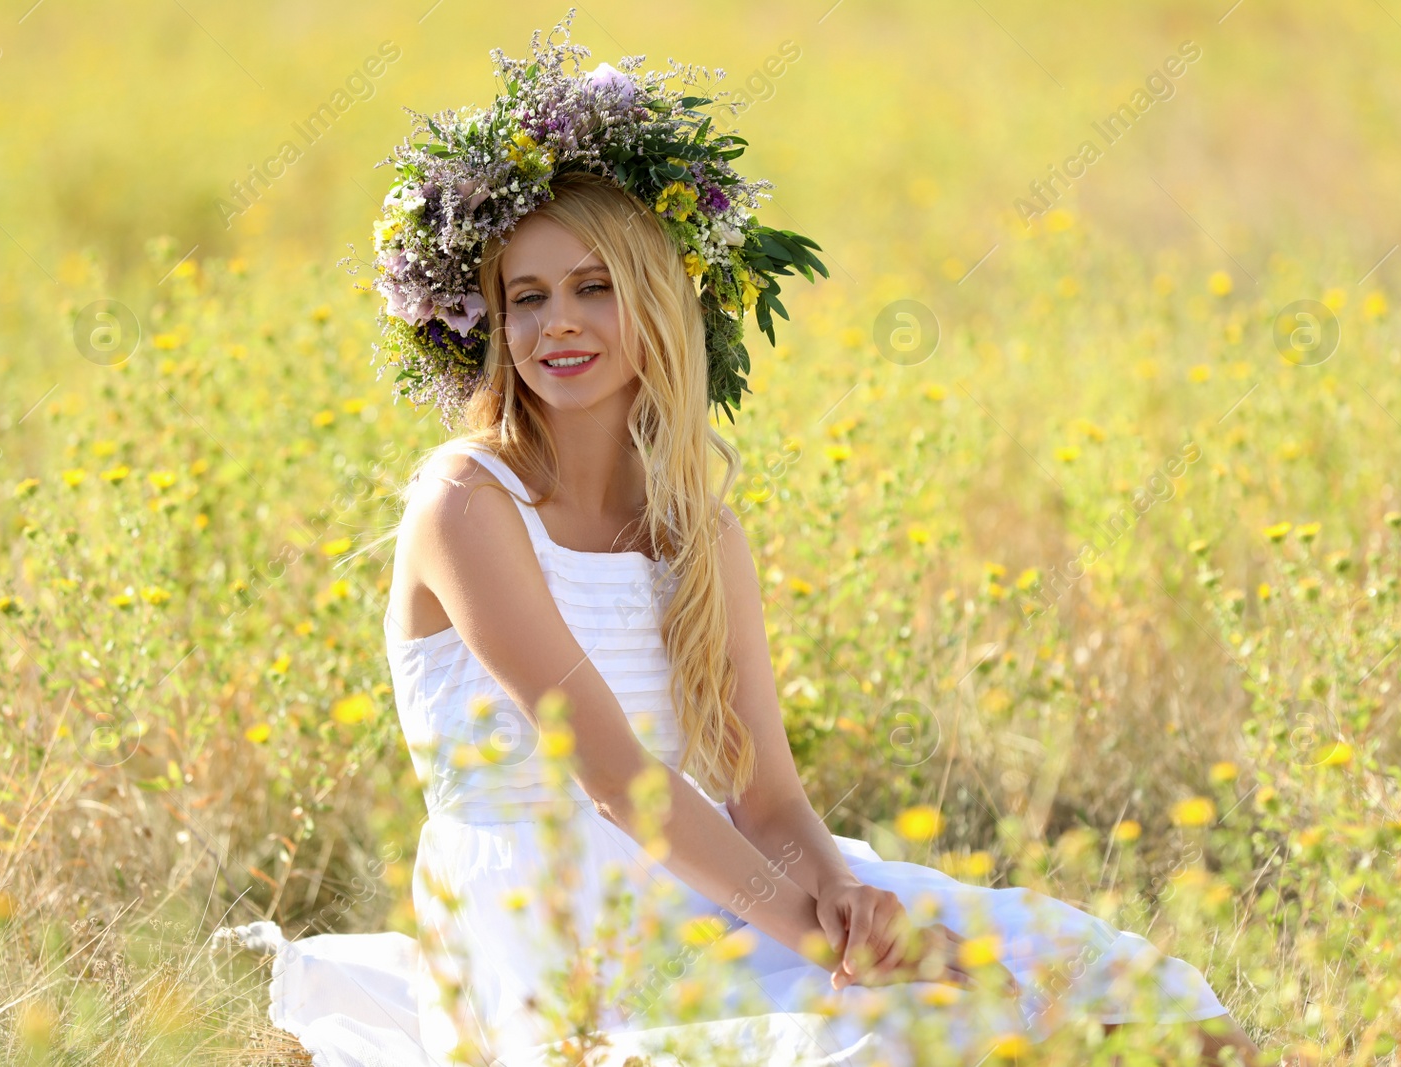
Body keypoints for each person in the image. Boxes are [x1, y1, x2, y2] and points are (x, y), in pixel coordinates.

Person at [213, 13, 1284, 1066]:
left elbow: (768, 797)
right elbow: (616, 779)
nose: (558, 324)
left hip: (721, 884)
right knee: (923, 1031)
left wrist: (849, 896)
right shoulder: (466, 503)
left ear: (660, 306)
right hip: (560, 939)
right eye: (525, 299)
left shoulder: (699, 532)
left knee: (1110, 983)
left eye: (595, 287)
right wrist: (834, 946)